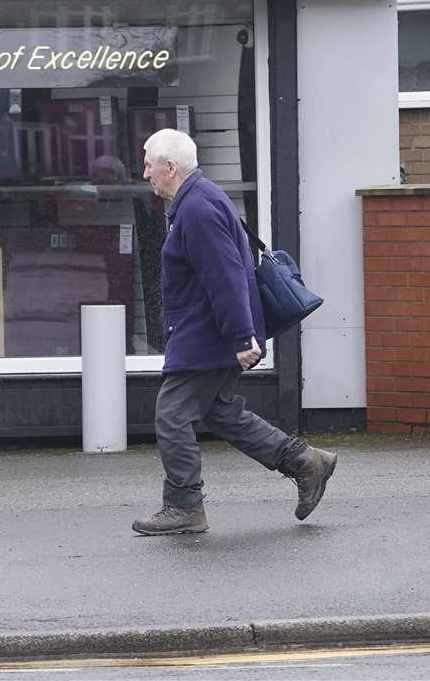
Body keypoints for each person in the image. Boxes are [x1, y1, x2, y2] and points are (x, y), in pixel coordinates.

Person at [132, 128, 336, 535]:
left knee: (172, 417)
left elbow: (226, 277)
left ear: (170, 167)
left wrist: (242, 338)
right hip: (209, 330)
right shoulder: (195, 200)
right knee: (219, 412)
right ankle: (306, 462)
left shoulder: (198, 209)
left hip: (207, 335)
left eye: (148, 164)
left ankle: (183, 505)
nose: (144, 173)